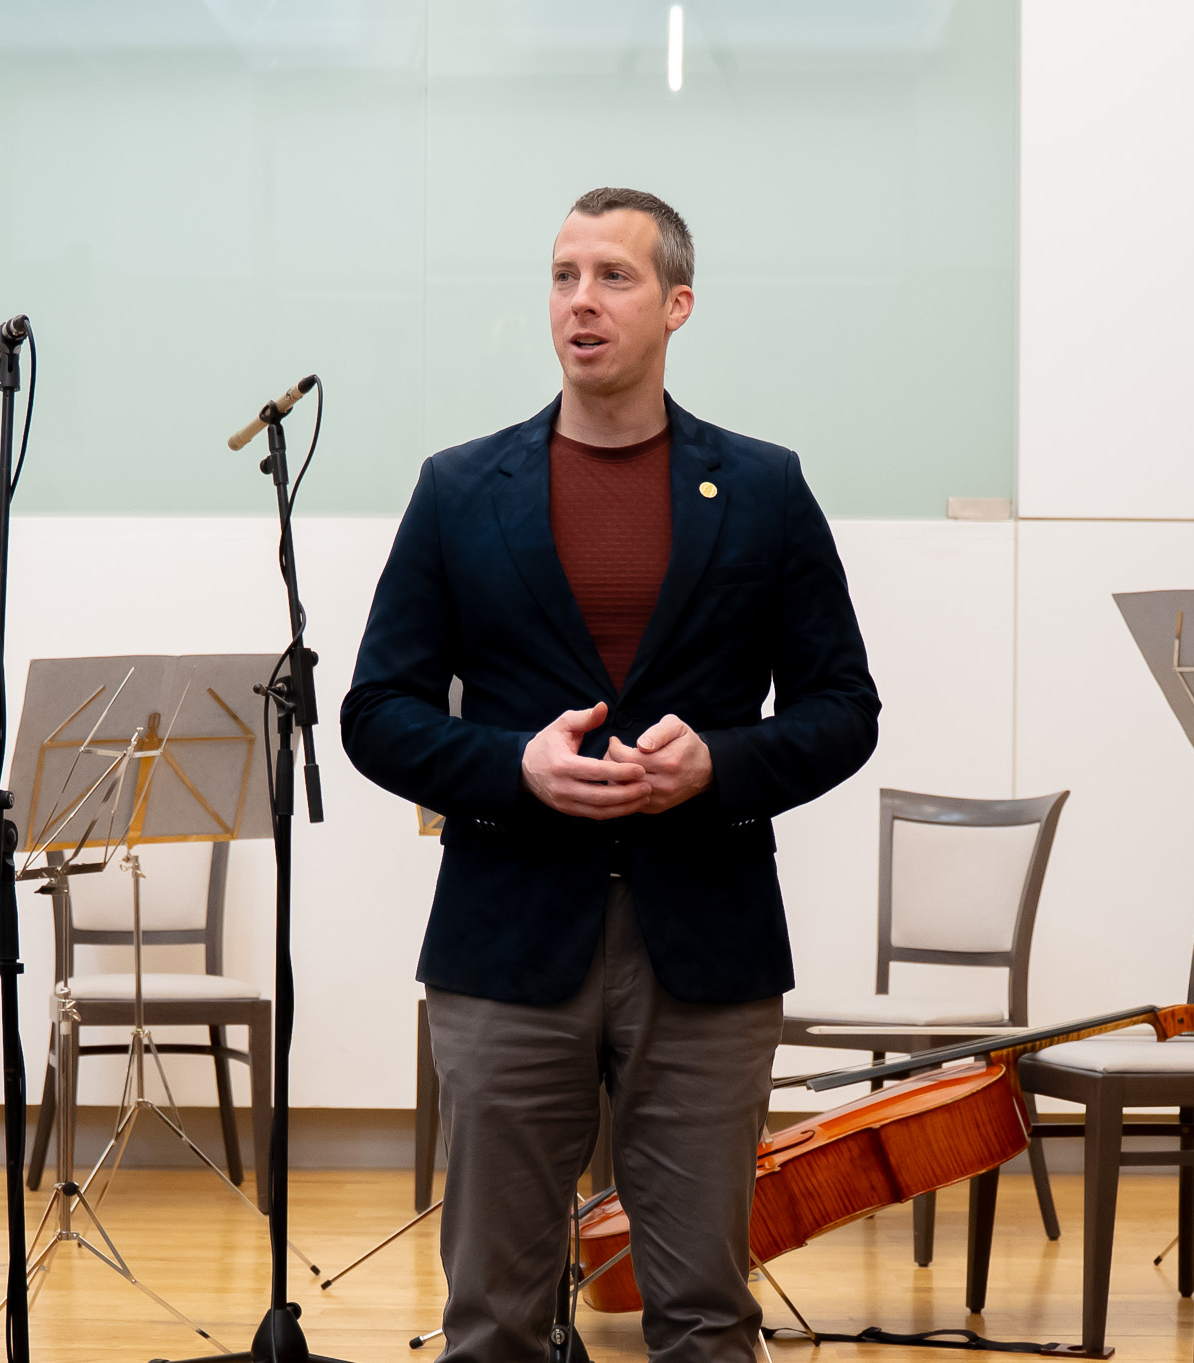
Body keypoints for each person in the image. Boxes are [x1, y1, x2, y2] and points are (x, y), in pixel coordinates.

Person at [341, 186, 880, 1363]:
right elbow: (374, 712)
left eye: (613, 277)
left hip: (707, 945)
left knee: (704, 1316)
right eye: (563, 275)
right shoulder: (457, 489)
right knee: (494, 1319)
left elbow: (844, 708)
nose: (580, 301)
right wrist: (512, 766)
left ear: (676, 304)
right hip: (506, 941)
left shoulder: (764, 488)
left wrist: (721, 763)